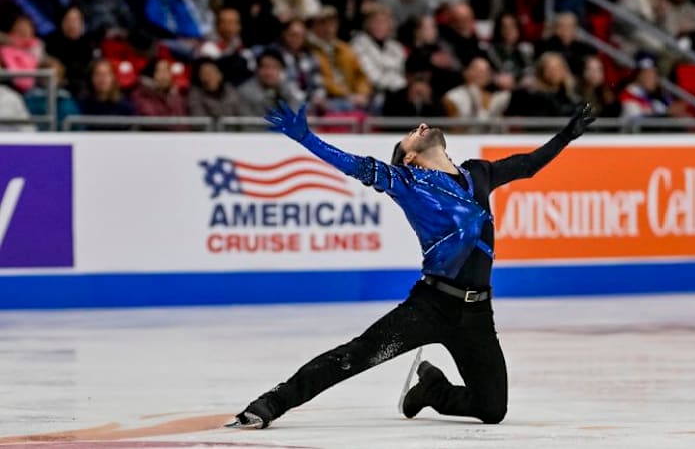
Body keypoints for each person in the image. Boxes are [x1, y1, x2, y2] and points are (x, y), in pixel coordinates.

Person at [229, 100, 596, 430]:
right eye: (410, 134)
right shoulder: (407, 181)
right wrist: (307, 138)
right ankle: (272, 402)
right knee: (354, 357)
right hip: (430, 307)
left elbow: (527, 166)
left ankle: (431, 390)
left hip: (477, 314)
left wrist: (567, 135)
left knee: (492, 409)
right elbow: (355, 165)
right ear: (410, 157)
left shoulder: (477, 174)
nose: (420, 127)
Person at [238, 48, 303, 115]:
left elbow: (296, 113)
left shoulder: (286, 89)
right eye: (265, 67)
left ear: (281, 70)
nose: (269, 73)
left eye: (274, 67)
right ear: (257, 69)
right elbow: (249, 123)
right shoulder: (245, 92)